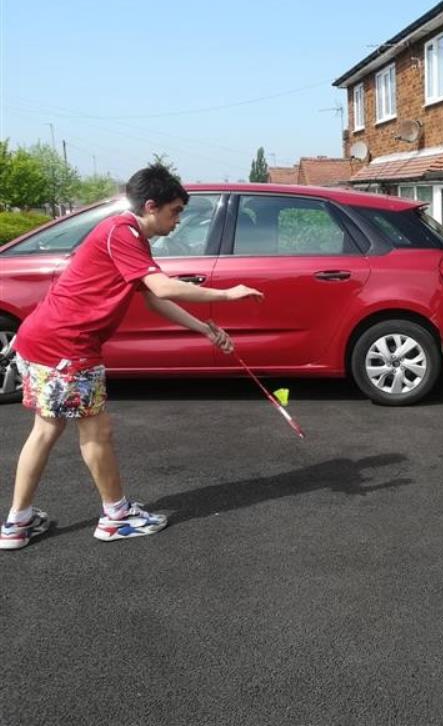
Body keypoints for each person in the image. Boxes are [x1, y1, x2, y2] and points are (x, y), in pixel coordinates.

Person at [0, 164, 263, 550]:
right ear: (151, 206)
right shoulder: (122, 233)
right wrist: (227, 295)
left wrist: (204, 328)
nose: (177, 222)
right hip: (68, 347)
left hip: (45, 340)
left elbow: (152, 298)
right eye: (174, 212)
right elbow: (162, 286)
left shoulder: (123, 234)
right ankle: (116, 517)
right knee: (96, 433)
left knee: (47, 430)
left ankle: (16, 525)